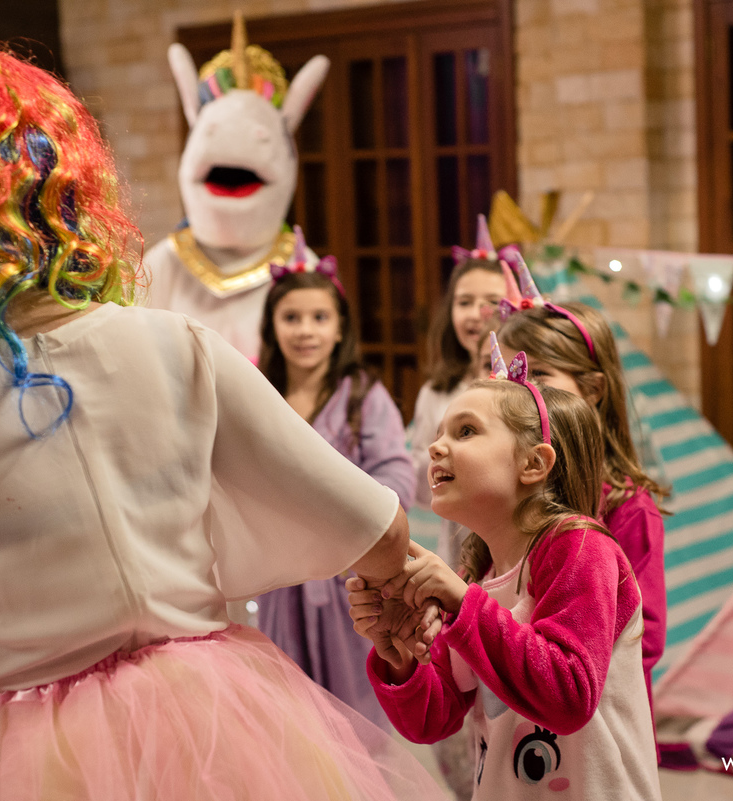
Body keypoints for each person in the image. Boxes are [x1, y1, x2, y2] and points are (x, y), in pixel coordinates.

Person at [0, 44, 444, 801]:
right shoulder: (175, 344)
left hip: (8, 759)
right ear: (67, 190)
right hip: (219, 729)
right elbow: (374, 527)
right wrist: (399, 594)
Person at [348, 342, 663, 800]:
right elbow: (432, 722)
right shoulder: (476, 575)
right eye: (439, 433)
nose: (435, 446)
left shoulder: (580, 547)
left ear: (533, 464)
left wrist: (463, 604)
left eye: (466, 431)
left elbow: (569, 696)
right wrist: (400, 656)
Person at [255, 228, 415, 728]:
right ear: (272, 325)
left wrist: (350, 519)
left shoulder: (363, 397)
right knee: (289, 715)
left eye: (319, 318)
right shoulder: (258, 393)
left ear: (341, 327)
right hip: (282, 580)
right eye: (291, 318)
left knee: (353, 716)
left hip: (351, 582)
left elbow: (397, 475)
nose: (305, 331)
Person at [496, 254, 668, 715]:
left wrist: (563, 673)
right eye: (512, 375)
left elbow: (645, 635)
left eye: (540, 374)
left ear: (592, 390)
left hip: (600, 717)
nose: (522, 390)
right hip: (520, 705)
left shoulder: (629, 508)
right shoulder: (515, 492)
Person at [409, 215, 514, 568]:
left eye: (491, 301)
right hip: (458, 553)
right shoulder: (435, 393)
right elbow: (421, 489)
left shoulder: (523, 392)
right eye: (464, 302)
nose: (477, 314)